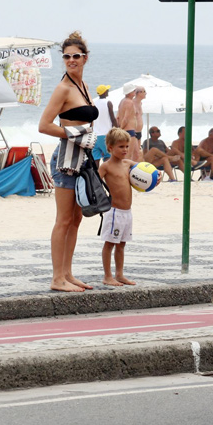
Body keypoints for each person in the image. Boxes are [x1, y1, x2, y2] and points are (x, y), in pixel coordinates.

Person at [38, 31, 98, 293]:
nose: (71, 60)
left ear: (85, 58)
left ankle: (67, 273)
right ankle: (56, 278)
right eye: (66, 57)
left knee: (76, 219)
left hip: (82, 159)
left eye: (76, 56)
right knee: (63, 220)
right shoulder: (63, 88)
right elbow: (44, 125)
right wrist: (74, 133)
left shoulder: (82, 86)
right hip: (65, 159)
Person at [98, 128, 136, 286]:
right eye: (121, 147)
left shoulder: (128, 164)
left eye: (127, 146)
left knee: (122, 244)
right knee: (110, 243)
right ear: (110, 148)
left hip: (127, 212)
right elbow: (95, 184)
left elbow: (145, 171)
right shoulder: (106, 166)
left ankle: (119, 274)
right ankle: (107, 276)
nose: (125, 150)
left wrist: (157, 176)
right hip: (114, 212)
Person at [91, 84, 119, 166]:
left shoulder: (94, 103)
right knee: (108, 156)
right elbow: (112, 118)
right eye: (107, 90)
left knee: (96, 158)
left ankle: (96, 176)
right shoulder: (108, 102)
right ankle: (107, 175)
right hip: (106, 135)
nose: (108, 91)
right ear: (104, 92)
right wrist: (118, 130)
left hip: (95, 135)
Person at [117, 83, 139, 160]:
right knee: (128, 156)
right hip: (128, 131)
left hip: (129, 131)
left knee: (136, 154)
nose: (135, 92)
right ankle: (125, 172)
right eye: (134, 90)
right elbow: (125, 118)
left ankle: (131, 171)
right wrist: (120, 130)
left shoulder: (122, 101)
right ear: (130, 92)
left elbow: (118, 117)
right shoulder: (129, 102)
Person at [132, 86, 146, 160]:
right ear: (139, 93)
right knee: (137, 153)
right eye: (144, 91)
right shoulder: (132, 103)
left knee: (137, 154)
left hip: (139, 132)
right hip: (133, 132)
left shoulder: (140, 103)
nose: (146, 93)